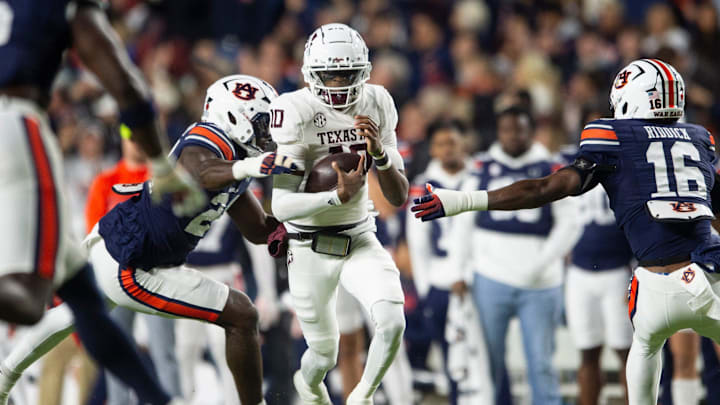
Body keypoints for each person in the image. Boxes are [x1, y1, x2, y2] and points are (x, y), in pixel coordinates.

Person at [412, 58, 720, 405]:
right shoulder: (699, 138)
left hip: (652, 285)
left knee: (645, 346)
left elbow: (544, 189)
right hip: (706, 275)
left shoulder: (612, 135)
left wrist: (463, 200)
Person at [0, 74, 296, 405]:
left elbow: (258, 229)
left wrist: (296, 231)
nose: (269, 131)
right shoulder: (207, 141)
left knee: (73, 314)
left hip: (124, 239)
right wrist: (249, 167)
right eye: (262, 122)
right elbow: (200, 171)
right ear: (233, 118)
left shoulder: (236, 160)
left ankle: (4, 376)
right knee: (242, 315)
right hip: (135, 262)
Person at [0, 1, 205, 404]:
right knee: (31, 297)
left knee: (81, 292)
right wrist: (161, 166)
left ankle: (158, 399)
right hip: (12, 122)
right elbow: (124, 83)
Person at [269, 23, 409, 405]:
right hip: (308, 244)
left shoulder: (377, 102)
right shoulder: (294, 110)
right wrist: (335, 197)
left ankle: (360, 397)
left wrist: (380, 154)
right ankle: (309, 387)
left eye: (346, 74)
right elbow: (280, 206)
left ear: (362, 71)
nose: (337, 84)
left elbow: (398, 196)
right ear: (311, 75)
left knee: (393, 321)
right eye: (328, 75)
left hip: (360, 234)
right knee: (324, 355)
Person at [447, 106, 582, 405]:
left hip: (541, 283)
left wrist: (542, 262)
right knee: (486, 364)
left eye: (519, 129)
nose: (513, 136)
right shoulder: (480, 169)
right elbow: (463, 224)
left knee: (542, 363)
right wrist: (457, 272)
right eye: (507, 129)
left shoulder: (552, 168)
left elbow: (570, 223)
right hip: (490, 278)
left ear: (531, 131)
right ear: (498, 132)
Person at [85, 138, 182, 404]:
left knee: (165, 350)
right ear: (122, 140)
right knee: (116, 352)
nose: (137, 144)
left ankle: (173, 399)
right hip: (115, 276)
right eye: (131, 138)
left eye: (141, 136)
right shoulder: (107, 181)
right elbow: (93, 232)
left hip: (156, 274)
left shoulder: (162, 177)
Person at [405, 120, 472, 405]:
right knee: (450, 356)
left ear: (463, 144)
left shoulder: (479, 178)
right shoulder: (422, 187)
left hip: (475, 279)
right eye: (442, 144)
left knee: (483, 353)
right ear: (433, 149)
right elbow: (417, 242)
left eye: (453, 142)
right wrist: (425, 286)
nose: (448, 149)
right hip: (440, 280)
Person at [565, 175, 634, 405]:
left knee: (628, 352)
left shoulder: (625, 167)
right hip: (579, 272)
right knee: (587, 352)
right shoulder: (571, 166)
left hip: (618, 270)